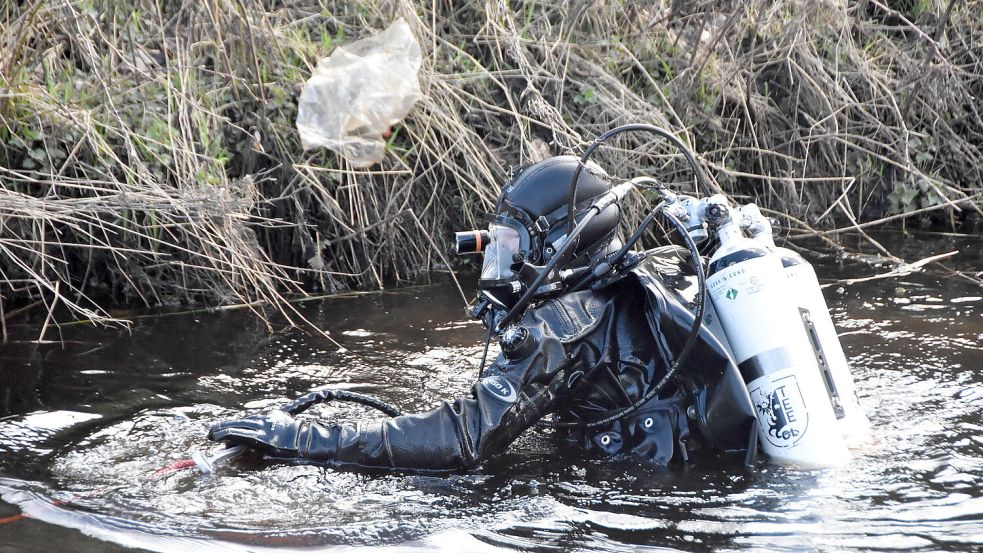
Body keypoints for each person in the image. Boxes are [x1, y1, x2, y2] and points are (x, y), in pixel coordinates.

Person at [209, 156, 756, 473]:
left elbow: (461, 441)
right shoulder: (650, 272)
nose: (502, 265)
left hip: (652, 500)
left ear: (562, 246)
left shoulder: (562, 327)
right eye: (497, 244)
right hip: (701, 466)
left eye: (515, 246)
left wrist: (297, 439)